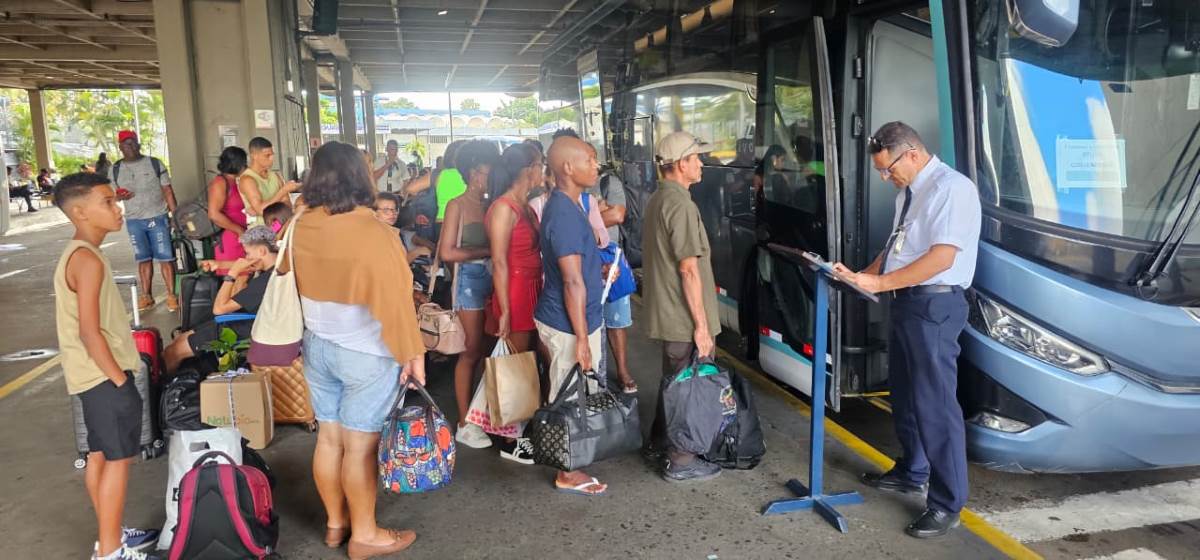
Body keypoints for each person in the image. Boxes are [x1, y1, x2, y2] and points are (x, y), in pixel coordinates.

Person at [832, 121, 981, 539]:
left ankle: (947, 503)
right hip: (907, 301)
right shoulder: (909, 193)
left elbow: (941, 258)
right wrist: (862, 276)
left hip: (935, 303)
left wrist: (878, 284)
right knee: (905, 394)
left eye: (888, 169)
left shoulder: (952, 189)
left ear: (912, 153)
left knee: (935, 405)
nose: (885, 177)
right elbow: (896, 247)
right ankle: (912, 470)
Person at [292, 141, 425, 558]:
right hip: (365, 352)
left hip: (316, 344)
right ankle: (364, 534)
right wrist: (413, 354)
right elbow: (396, 301)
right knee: (361, 447)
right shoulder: (373, 231)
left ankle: (336, 524)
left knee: (329, 440)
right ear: (359, 177)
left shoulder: (302, 223)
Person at [52, 172, 161, 559]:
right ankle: (111, 551)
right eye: (108, 202)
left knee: (99, 455)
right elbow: (89, 332)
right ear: (80, 212)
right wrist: (120, 381)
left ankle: (109, 534)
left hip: (88, 377)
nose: (118, 209)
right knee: (118, 461)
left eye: (116, 200)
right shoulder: (87, 261)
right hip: (104, 377)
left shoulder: (81, 253)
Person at [642, 130, 723, 483]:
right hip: (684, 318)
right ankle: (682, 459)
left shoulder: (659, 200)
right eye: (696, 158)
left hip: (670, 316)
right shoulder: (680, 205)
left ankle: (659, 443)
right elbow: (688, 269)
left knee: (674, 382)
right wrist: (702, 328)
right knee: (690, 387)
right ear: (680, 165)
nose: (701, 163)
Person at [536, 135, 609, 496]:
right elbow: (572, 282)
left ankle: (574, 459)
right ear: (567, 167)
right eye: (590, 160)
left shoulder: (573, 202)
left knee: (575, 391)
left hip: (577, 319)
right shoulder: (564, 214)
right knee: (568, 394)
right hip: (568, 323)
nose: (596, 166)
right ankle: (567, 471)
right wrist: (582, 339)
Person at [483, 142, 545, 464]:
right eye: (539, 165)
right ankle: (510, 439)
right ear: (528, 169)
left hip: (532, 286)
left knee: (528, 363)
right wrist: (504, 309)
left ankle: (521, 429)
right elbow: (499, 261)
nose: (542, 171)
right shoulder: (504, 207)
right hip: (516, 290)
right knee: (514, 365)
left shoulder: (526, 203)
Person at [437, 139, 500, 450]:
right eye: (488, 172)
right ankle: (464, 422)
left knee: (490, 349)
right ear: (475, 173)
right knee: (471, 351)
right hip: (470, 281)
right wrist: (487, 249)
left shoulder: (491, 204)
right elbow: (447, 252)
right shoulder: (458, 205)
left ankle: (483, 412)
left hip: (492, 278)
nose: (491, 178)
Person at [163, 226, 278, 372]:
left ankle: (171, 388)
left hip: (245, 328)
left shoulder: (265, 282)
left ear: (262, 251)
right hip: (246, 321)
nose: (246, 259)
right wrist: (221, 264)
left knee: (173, 352)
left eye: (248, 253)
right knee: (179, 340)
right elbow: (252, 265)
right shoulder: (278, 265)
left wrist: (232, 274)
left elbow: (219, 309)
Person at [109, 130, 178, 313]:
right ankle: (146, 296)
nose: (129, 147)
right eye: (125, 144)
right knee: (143, 259)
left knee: (166, 258)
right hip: (134, 221)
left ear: (138, 145)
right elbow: (111, 197)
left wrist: (175, 216)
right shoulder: (115, 169)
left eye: (132, 143)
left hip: (158, 217)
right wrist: (119, 196)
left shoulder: (154, 163)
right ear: (120, 147)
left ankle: (171, 295)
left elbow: (167, 190)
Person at [585, 147, 635, 393]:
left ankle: (623, 370)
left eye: (594, 159)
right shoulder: (569, 190)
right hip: (584, 257)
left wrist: (588, 216)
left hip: (610, 255)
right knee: (588, 318)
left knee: (617, 319)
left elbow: (618, 215)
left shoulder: (608, 182)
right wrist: (600, 211)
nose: (593, 165)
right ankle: (594, 372)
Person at [206, 147, 250, 271]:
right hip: (229, 236)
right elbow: (213, 214)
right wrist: (238, 230)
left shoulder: (236, 181)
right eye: (244, 162)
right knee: (234, 275)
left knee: (244, 274)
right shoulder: (220, 182)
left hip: (241, 234)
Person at [239, 136, 298, 225]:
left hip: (282, 227)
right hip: (261, 231)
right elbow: (261, 210)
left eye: (272, 155)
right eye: (267, 155)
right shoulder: (247, 179)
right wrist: (283, 191)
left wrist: (269, 208)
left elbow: (287, 205)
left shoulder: (276, 175)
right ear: (254, 156)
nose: (271, 159)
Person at [374, 192, 433, 264]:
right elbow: (395, 265)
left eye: (394, 209)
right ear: (374, 212)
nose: (392, 213)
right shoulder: (375, 236)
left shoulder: (393, 233)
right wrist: (416, 252)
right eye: (386, 210)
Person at [434, 139, 468, 225]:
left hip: (441, 220)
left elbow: (411, 189)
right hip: (461, 222)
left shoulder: (441, 174)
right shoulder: (468, 175)